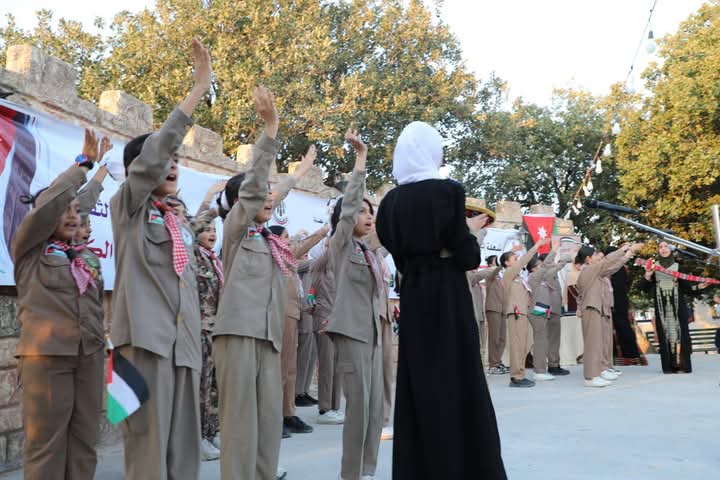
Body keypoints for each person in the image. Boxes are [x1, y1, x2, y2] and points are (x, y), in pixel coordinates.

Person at [376, 121, 506, 479]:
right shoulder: (447, 191)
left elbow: (397, 254)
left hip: (414, 295)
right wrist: (470, 234)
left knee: (419, 382)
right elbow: (467, 257)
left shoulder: (389, 203)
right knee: (457, 378)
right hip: (448, 297)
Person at [109, 39, 211, 479]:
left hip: (183, 346)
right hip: (143, 345)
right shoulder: (128, 206)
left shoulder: (178, 221)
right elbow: (151, 159)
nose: (171, 165)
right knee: (147, 449)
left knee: (183, 451)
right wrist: (198, 90)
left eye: (177, 159)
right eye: (164, 158)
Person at [211, 86, 316, 480]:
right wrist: (270, 130)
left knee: (269, 419)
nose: (268, 198)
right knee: (239, 423)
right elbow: (256, 187)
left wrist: (298, 174)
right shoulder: (236, 230)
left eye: (271, 196)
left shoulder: (269, 240)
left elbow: (273, 191)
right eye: (258, 196)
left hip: (269, 337)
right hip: (239, 335)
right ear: (241, 202)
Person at [13, 129, 110, 480]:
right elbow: (52, 204)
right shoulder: (30, 249)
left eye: (76, 211)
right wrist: (83, 165)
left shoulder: (84, 258)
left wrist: (100, 175)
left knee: (85, 440)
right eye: (64, 211)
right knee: (47, 445)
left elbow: (77, 205)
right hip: (48, 359)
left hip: (89, 356)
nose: (72, 216)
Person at [323, 129, 384, 480]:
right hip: (351, 332)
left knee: (375, 409)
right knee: (358, 408)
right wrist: (361, 159)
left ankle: (367, 470)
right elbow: (347, 212)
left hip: (373, 333)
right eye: (362, 211)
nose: (367, 215)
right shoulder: (342, 244)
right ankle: (350, 474)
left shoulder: (370, 251)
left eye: (370, 211)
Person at [270, 221, 329, 437]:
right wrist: (322, 231)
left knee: (290, 369)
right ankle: (275, 417)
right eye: (286, 237)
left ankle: (288, 413)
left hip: (293, 314)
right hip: (283, 315)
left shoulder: (287, 258)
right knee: (281, 369)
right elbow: (299, 250)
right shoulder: (276, 254)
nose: (289, 241)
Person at [576, 244, 642, 387]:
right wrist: (623, 250)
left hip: (596, 308)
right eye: (595, 255)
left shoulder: (595, 271)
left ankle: (597, 372)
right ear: (588, 258)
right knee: (592, 345)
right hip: (591, 308)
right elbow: (607, 261)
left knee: (598, 344)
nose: (598, 258)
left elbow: (613, 267)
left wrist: (628, 254)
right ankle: (591, 377)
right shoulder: (588, 269)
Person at [639, 241, 704, 373]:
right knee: (664, 333)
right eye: (660, 247)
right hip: (661, 305)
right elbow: (643, 288)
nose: (663, 249)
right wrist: (647, 275)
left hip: (678, 305)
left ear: (671, 249)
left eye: (666, 247)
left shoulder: (678, 266)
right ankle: (668, 367)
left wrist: (699, 287)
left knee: (681, 333)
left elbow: (686, 288)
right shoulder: (653, 267)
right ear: (658, 250)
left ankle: (683, 365)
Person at [191, 204, 223, 461]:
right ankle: (198, 437)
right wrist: (212, 207)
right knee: (202, 386)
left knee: (215, 385)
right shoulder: (194, 256)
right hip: (200, 327)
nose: (212, 233)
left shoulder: (215, 259)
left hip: (217, 329)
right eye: (207, 230)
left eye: (214, 230)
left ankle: (212, 431)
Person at [501, 238, 551, 387]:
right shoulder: (509, 274)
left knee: (523, 345)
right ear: (507, 263)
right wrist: (536, 246)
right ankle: (516, 377)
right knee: (517, 345)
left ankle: (520, 374)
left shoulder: (519, 278)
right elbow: (523, 261)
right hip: (515, 313)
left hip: (522, 313)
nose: (517, 259)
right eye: (514, 258)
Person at [310, 238, 345, 425]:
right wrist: (332, 238)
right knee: (326, 364)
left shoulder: (339, 269)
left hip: (337, 319)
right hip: (323, 317)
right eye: (328, 246)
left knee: (337, 364)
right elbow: (328, 255)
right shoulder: (317, 267)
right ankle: (324, 408)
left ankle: (335, 406)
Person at [528, 245, 572, 379]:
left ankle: (553, 364)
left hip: (554, 309)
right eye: (540, 265)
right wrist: (561, 257)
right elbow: (553, 267)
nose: (552, 264)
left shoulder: (548, 275)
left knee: (554, 339)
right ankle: (540, 369)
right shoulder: (540, 275)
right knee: (542, 339)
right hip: (542, 310)